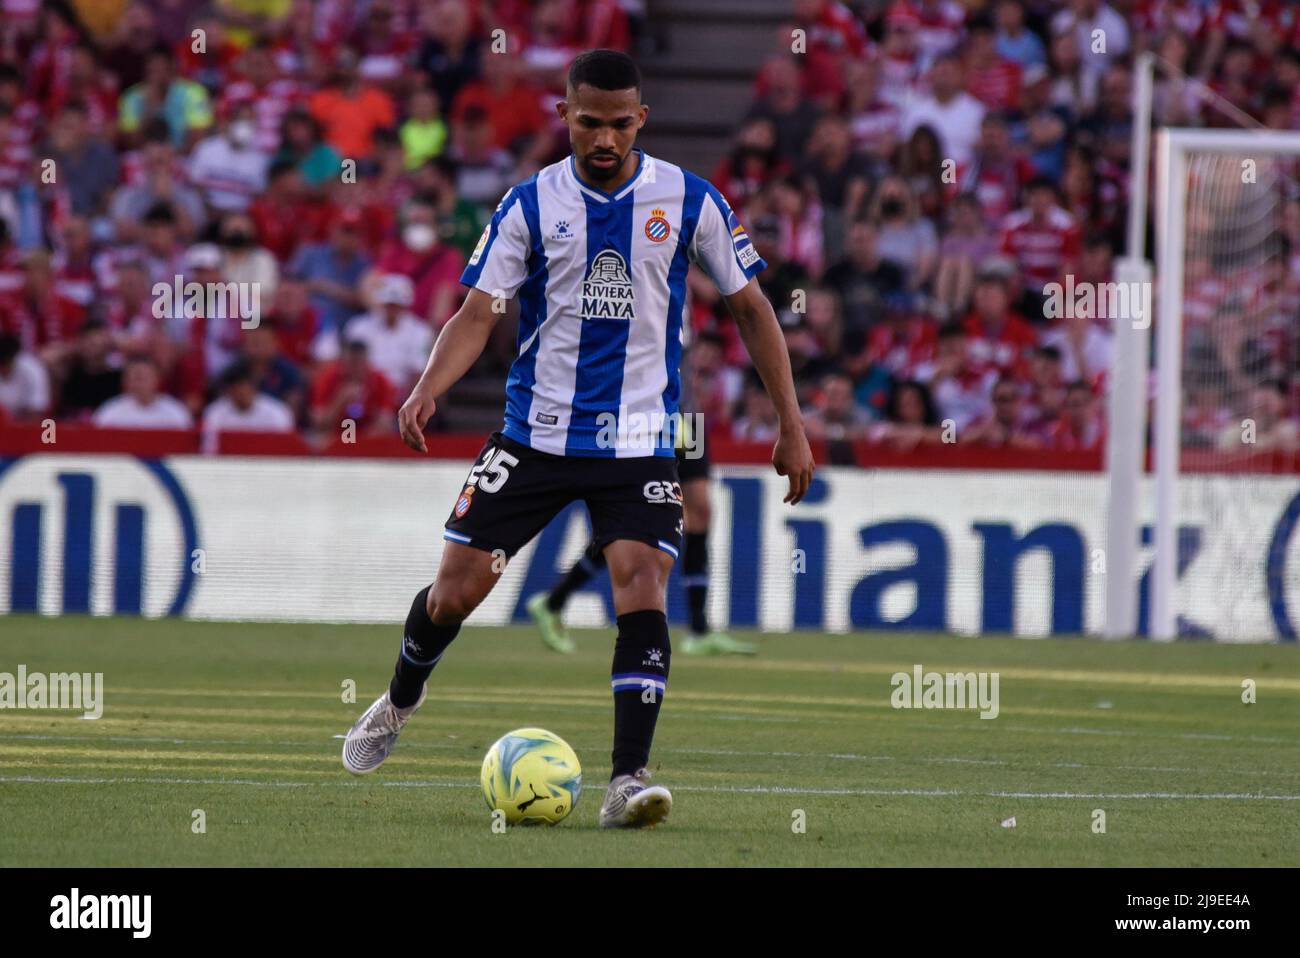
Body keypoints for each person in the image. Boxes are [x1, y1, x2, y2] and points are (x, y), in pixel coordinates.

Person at [341, 50, 814, 830]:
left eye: (618, 124)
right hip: (534, 437)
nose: (602, 138)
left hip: (636, 442)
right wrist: (431, 385)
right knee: (456, 592)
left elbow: (753, 309)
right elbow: (477, 311)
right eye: (588, 121)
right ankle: (398, 700)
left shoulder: (689, 201)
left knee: (641, 582)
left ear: (641, 121)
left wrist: (790, 424)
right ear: (565, 115)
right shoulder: (529, 203)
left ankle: (628, 779)